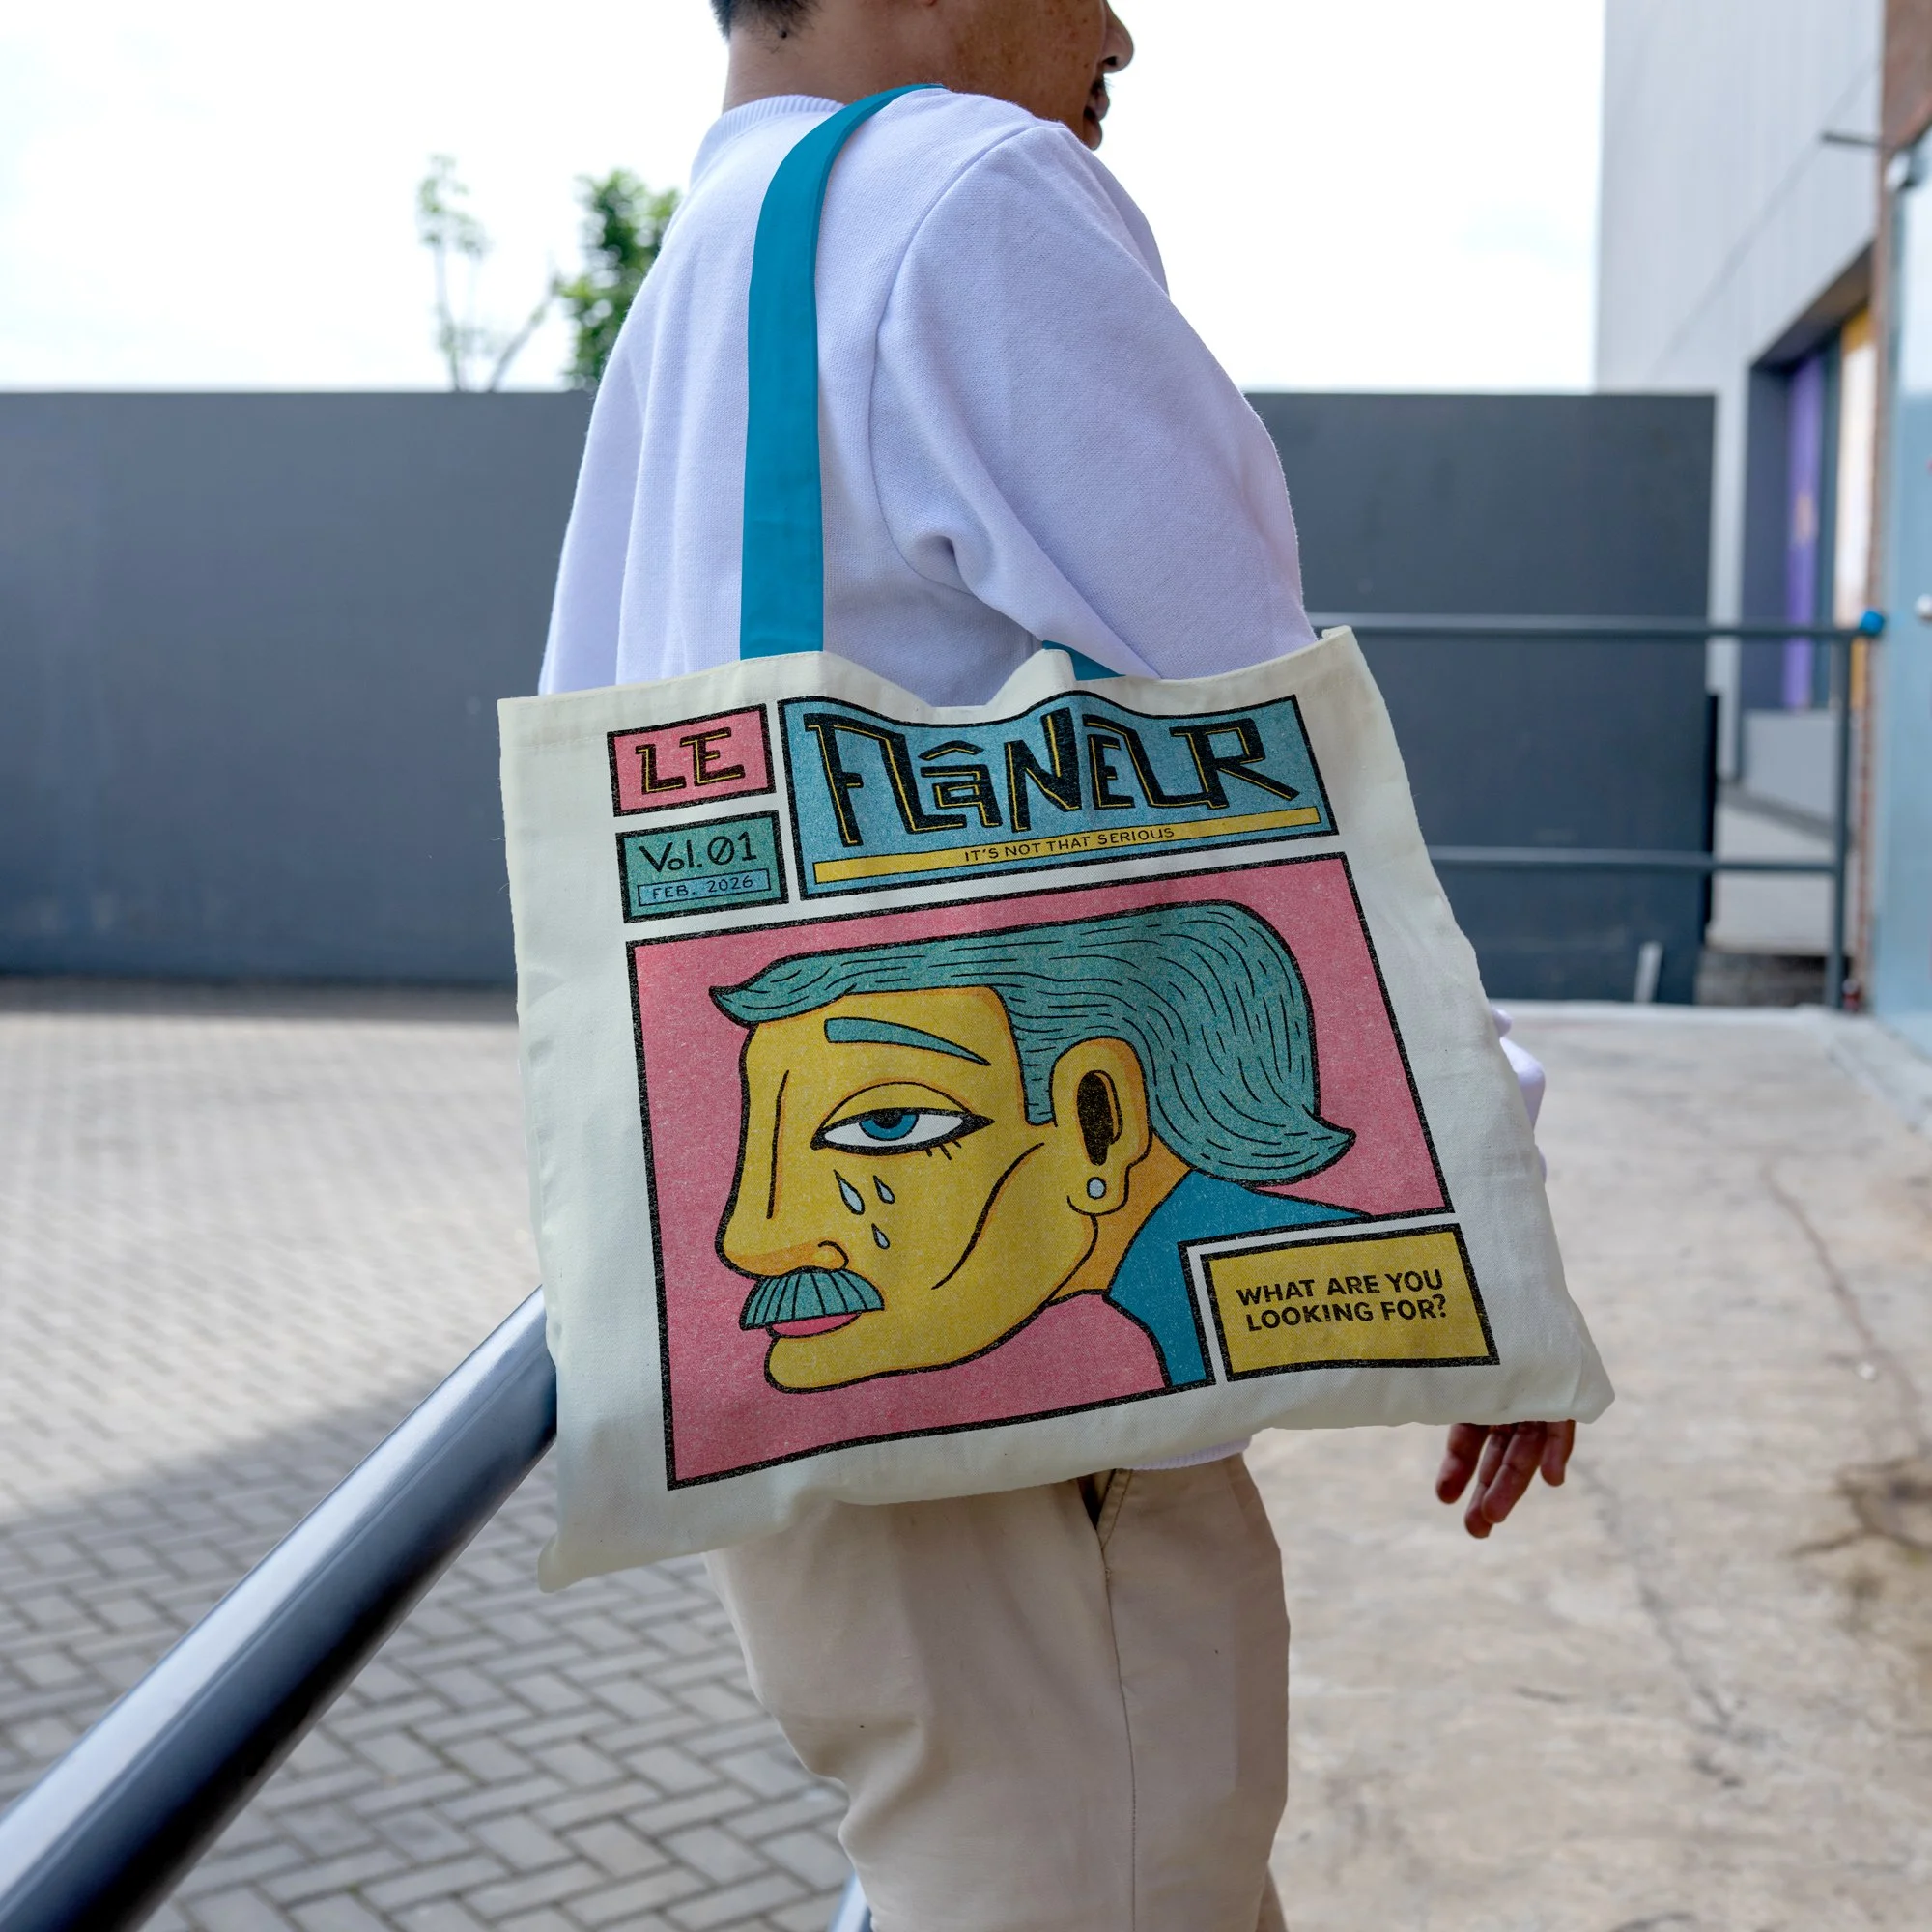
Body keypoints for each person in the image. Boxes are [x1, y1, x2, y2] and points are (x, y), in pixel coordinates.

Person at [538, 4, 1577, 1926]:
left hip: (789, 1384)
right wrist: (1474, 1211)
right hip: (1018, 1400)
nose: (1117, 30)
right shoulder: (968, 197)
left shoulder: (702, 267)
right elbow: (1258, 756)